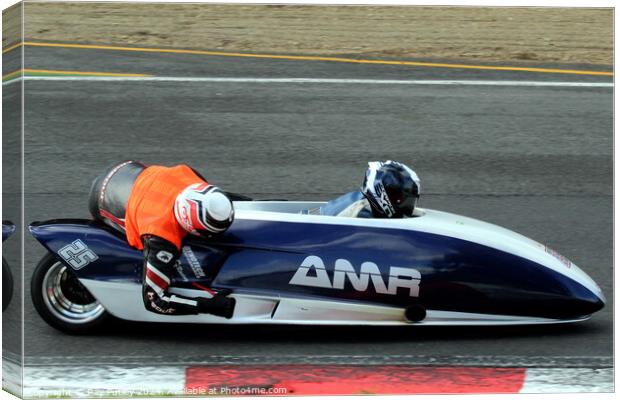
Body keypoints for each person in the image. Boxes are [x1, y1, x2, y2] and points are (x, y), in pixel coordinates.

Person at [88, 160, 236, 318]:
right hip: (101, 198)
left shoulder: (187, 174)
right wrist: (208, 305)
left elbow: (220, 202)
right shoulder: (160, 236)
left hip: (124, 169)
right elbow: (155, 301)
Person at [321, 160, 421, 218]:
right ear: (382, 193)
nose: (407, 207)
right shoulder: (362, 217)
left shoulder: (360, 199)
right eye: (400, 200)